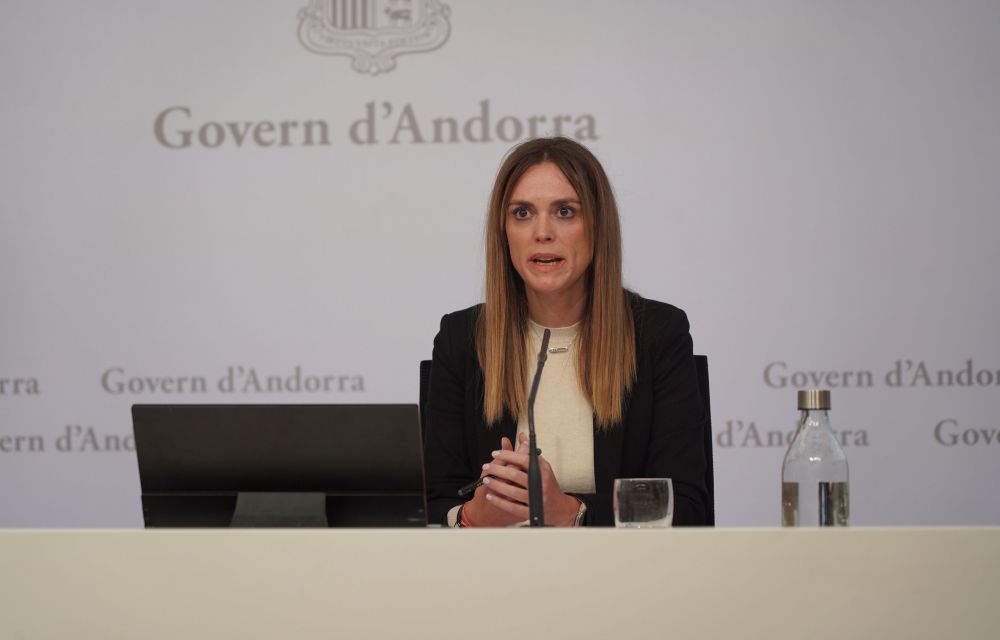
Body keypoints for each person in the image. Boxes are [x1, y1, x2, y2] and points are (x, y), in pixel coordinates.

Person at [423, 137, 708, 527]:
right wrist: (472, 516)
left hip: (622, 565)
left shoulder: (657, 335)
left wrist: (572, 512)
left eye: (564, 211)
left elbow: (687, 507)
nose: (542, 232)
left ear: (597, 226)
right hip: (495, 565)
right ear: (504, 232)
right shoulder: (462, 339)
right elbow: (433, 501)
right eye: (522, 212)